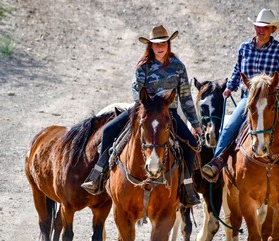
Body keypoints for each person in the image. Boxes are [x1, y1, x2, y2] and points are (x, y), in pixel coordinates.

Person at [81, 25, 202, 207]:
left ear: (168, 44)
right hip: (143, 110)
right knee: (108, 131)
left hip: (167, 113)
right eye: (156, 44)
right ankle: (98, 175)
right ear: (150, 47)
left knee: (191, 144)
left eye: (163, 43)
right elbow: (136, 91)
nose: (160, 47)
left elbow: (185, 96)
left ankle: (187, 186)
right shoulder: (143, 66)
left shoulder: (178, 67)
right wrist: (149, 105)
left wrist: (195, 123)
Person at [201, 8, 279, 182]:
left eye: (265, 27)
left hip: (272, 97)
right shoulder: (244, 47)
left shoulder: (278, 49)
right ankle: (217, 162)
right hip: (249, 98)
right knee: (230, 127)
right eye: (258, 26)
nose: (261, 30)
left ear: (273, 29)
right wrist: (230, 87)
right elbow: (238, 69)